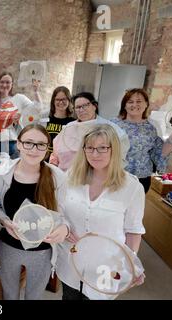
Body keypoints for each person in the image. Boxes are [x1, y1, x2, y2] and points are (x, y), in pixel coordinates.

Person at [56, 124, 146, 300]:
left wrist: (131, 264)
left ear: (114, 149)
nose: (95, 154)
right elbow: (59, 209)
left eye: (102, 148)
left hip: (106, 268)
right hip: (71, 264)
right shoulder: (71, 177)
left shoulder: (132, 187)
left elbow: (134, 230)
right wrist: (63, 227)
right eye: (90, 148)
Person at [0, 124, 69, 300]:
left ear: (47, 149)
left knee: (34, 296)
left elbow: (65, 214)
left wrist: (64, 229)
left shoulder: (58, 177)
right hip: (9, 247)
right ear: (18, 144)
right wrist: (5, 221)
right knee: (9, 295)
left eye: (41, 144)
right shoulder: (2, 174)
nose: (34, 149)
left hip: (42, 251)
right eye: (28, 143)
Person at [110, 88, 172, 193]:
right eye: (130, 102)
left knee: (135, 208)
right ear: (124, 105)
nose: (134, 105)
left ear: (146, 104)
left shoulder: (153, 126)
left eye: (139, 101)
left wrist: (171, 139)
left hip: (141, 178)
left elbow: (159, 152)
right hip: (115, 175)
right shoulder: (112, 124)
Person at [50, 92, 129, 171]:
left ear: (94, 106)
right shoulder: (68, 128)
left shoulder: (110, 128)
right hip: (66, 177)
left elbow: (120, 157)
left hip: (98, 178)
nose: (81, 110)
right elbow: (55, 154)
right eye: (77, 107)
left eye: (85, 106)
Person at [0, 71, 41, 159]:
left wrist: (36, 92)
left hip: (14, 144)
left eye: (8, 82)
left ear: (12, 84)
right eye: (2, 82)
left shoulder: (19, 98)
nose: (5, 85)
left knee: (15, 171)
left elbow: (37, 108)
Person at [45, 86, 75, 155]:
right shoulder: (45, 120)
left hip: (64, 162)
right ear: (53, 101)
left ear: (69, 100)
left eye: (64, 99)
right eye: (58, 99)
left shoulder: (73, 123)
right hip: (45, 160)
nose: (61, 102)